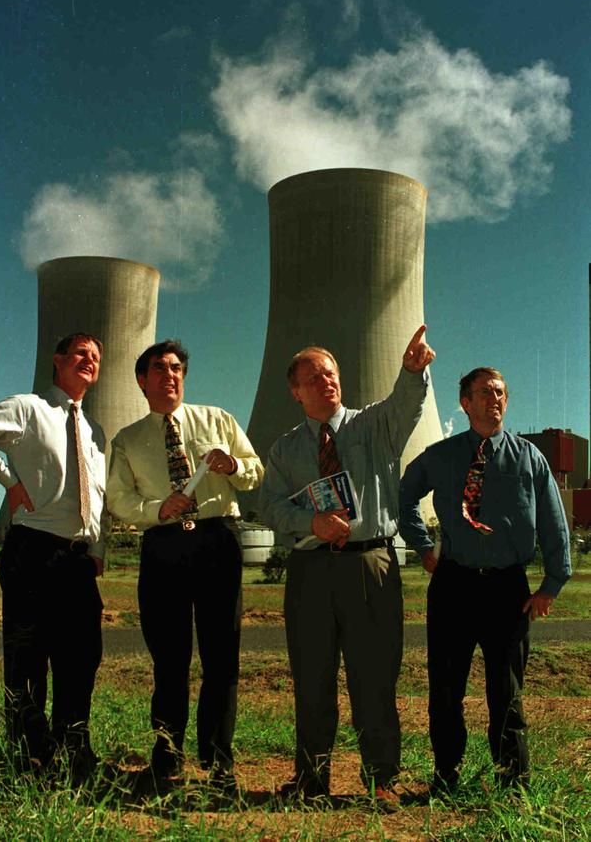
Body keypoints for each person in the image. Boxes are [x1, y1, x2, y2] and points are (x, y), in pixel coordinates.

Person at [259, 325, 436, 806]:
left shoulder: (371, 424)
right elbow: (270, 506)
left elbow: (406, 405)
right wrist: (310, 523)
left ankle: (381, 778)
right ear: (296, 391)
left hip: (370, 565)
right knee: (312, 677)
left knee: (375, 676)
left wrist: (413, 371)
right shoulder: (286, 449)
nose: (327, 382)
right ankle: (311, 780)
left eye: (332, 373)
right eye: (314, 377)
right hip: (311, 572)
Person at [399, 367, 571, 795]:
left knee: (506, 689)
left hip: (506, 590)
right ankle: (446, 775)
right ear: (465, 402)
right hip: (454, 585)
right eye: (484, 392)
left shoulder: (529, 458)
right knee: (445, 687)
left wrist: (552, 583)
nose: (494, 398)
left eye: (500, 392)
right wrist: (423, 545)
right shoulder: (442, 456)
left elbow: (553, 521)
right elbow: (402, 496)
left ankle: (513, 781)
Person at [106, 340, 264, 792]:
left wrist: (232, 464)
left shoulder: (218, 420)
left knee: (221, 657)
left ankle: (219, 760)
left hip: (217, 541)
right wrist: (159, 507)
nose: (170, 376)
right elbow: (118, 498)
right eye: (159, 369)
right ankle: (167, 757)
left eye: (176, 368)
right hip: (164, 547)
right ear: (142, 380)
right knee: (169, 658)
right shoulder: (128, 439)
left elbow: (255, 470)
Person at [0, 333, 106, 780]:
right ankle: (28, 759)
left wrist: (95, 547)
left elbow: (97, 495)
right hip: (33, 550)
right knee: (28, 660)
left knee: (80, 658)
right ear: (57, 361)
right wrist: (7, 481)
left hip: (77, 561)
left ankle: (74, 750)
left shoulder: (94, 430)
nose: (89, 362)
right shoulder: (28, 408)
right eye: (80, 353)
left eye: (95, 358)